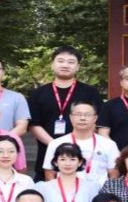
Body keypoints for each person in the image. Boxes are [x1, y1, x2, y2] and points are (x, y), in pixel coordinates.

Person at [28, 46, 104, 179]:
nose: (65, 65)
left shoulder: (90, 92)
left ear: (78, 67)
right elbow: (34, 124)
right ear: (52, 64)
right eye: (60, 61)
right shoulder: (38, 93)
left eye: (71, 62)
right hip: (48, 152)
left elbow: (97, 121)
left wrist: (77, 145)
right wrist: (55, 145)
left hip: (82, 152)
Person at [43, 101, 119, 182]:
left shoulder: (109, 144)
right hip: (64, 189)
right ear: (71, 117)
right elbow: (49, 173)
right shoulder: (56, 143)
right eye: (78, 114)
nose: (82, 118)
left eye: (87, 115)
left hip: (100, 189)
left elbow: (114, 174)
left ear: (95, 118)